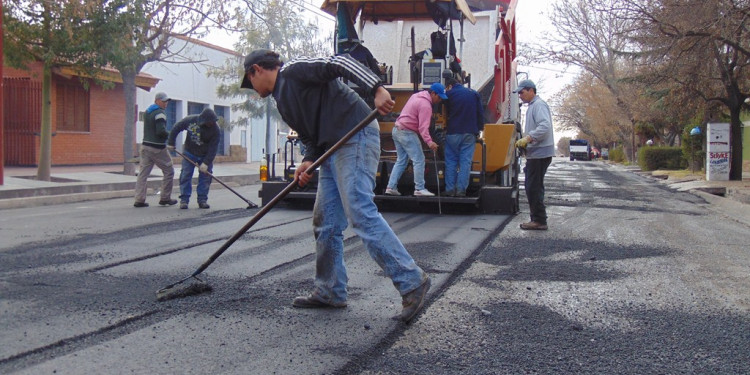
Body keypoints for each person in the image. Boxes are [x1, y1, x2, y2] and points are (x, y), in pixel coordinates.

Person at [240, 49, 431, 322]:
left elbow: (339, 62)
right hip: (332, 148)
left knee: (360, 211)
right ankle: (330, 290)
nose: (253, 90)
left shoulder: (294, 71)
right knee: (326, 222)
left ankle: (412, 281)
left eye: (251, 82)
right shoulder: (283, 102)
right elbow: (310, 137)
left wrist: (376, 88)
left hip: (356, 134)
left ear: (256, 70)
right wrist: (307, 161)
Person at [383, 82, 447, 197]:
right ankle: (419, 188)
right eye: (439, 97)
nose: (440, 100)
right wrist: (430, 142)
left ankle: (390, 187)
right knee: (419, 159)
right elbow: (423, 128)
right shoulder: (426, 105)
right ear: (433, 93)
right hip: (407, 132)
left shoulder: (416, 96)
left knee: (401, 160)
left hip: (397, 129)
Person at [513, 79, 555, 230]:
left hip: (540, 153)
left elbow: (545, 126)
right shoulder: (533, 106)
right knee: (534, 186)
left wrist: (529, 138)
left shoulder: (538, 105)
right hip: (536, 153)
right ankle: (538, 218)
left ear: (531, 90)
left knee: (533, 187)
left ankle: (539, 220)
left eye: (522, 92)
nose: (520, 95)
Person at [167, 108, 220, 210]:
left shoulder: (215, 130)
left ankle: (202, 200)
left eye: (213, 122)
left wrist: (206, 163)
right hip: (189, 152)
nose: (211, 124)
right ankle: (184, 200)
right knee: (186, 175)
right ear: (204, 120)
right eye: (209, 122)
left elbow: (213, 149)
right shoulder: (190, 120)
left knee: (205, 177)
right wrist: (171, 142)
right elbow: (176, 128)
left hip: (205, 155)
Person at [133, 92, 177, 208]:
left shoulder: (148, 111)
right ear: (157, 101)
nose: (166, 103)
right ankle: (165, 198)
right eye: (163, 101)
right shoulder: (160, 114)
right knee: (169, 171)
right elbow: (160, 131)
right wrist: (170, 135)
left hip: (145, 146)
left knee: (143, 174)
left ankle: (139, 199)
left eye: (167, 101)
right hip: (157, 148)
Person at [443, 78, 484, 197]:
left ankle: (450, 189)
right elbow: (480, 113)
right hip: (469, 133)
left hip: (453, 132)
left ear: (450, 86)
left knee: (451, 161)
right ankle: (461, 190)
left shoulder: (449, 94)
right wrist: (479, 129)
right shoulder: (474, 93)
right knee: (465, 162)